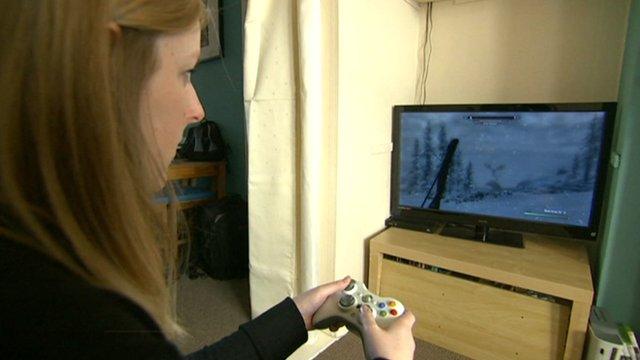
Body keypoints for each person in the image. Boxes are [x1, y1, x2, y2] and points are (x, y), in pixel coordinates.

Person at [0, 1, 416, 359]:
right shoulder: (77, 313)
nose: (198, 108)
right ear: (104, 73)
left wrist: (298, 314)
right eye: (184, 72)